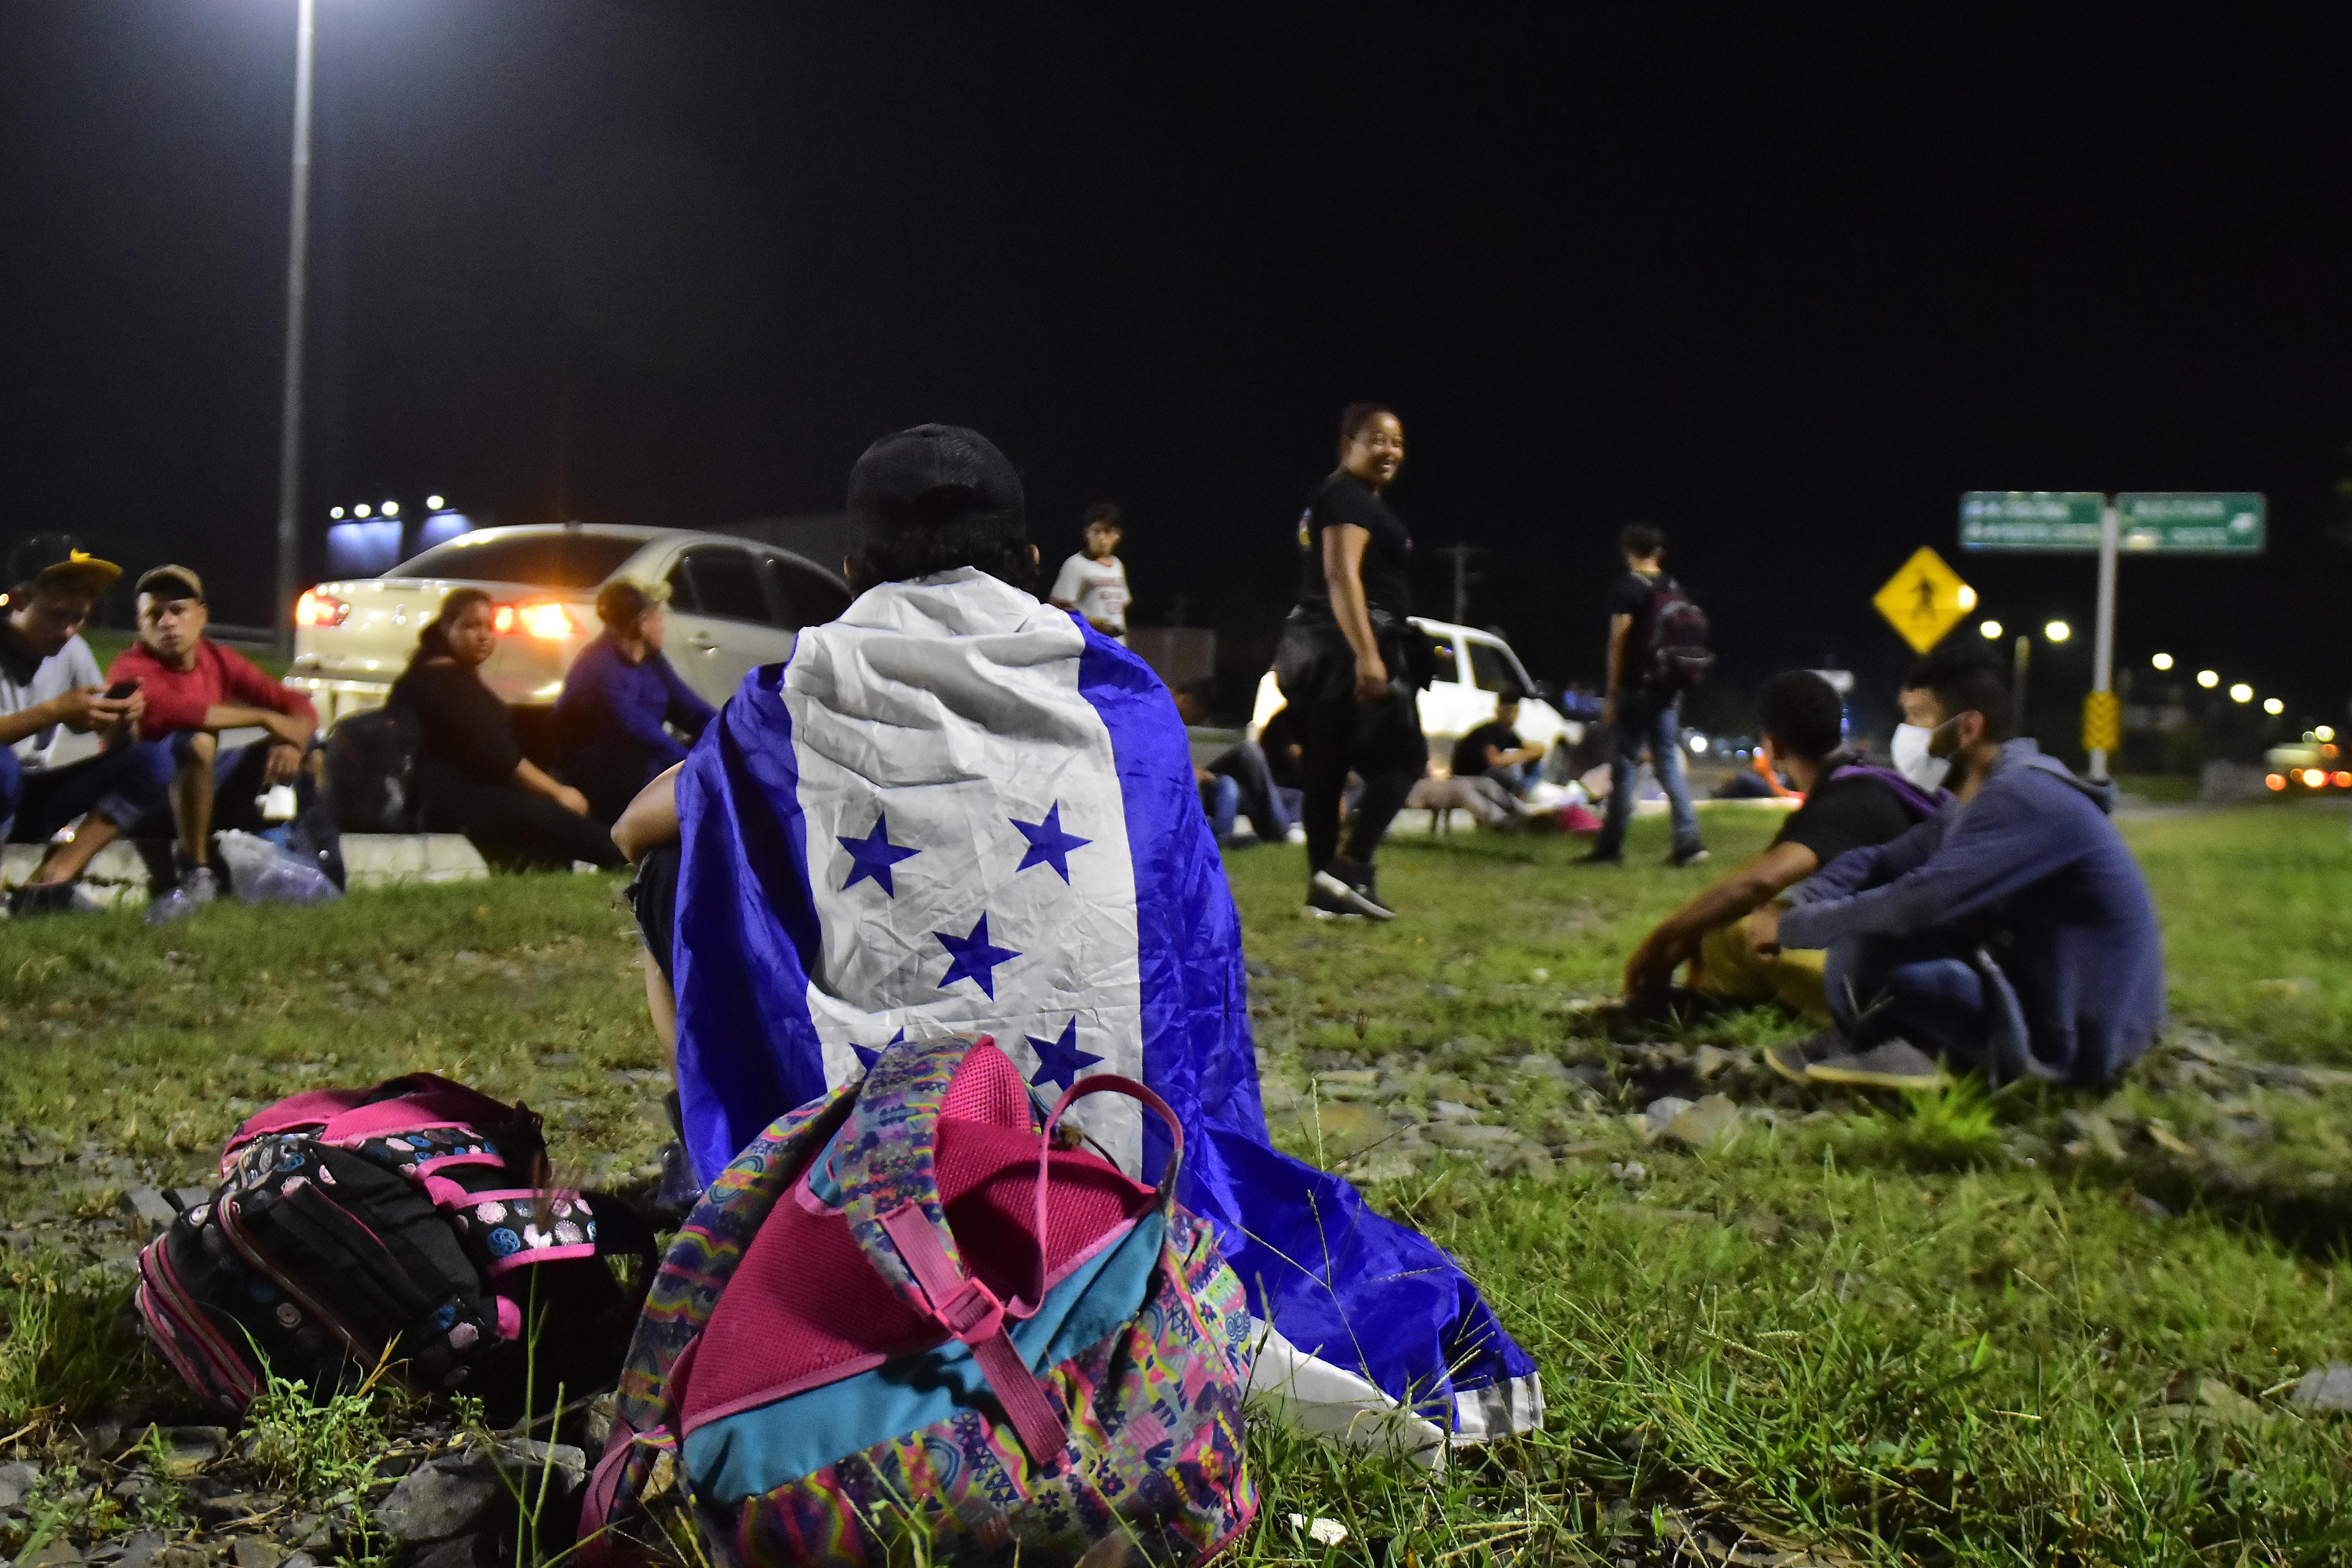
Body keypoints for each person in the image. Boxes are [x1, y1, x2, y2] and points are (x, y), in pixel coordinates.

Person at [618, 422, 1540, 1452]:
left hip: (883, 1167)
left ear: (849, 568)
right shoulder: (1121, 698)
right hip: (1108, 1146)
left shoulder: (789, 696)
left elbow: (634, 826)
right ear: (1027, 560)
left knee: (677, 868)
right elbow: (1193, 944)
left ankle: (729, 1172)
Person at [1752, 645, 2165, 1090]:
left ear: (1968, 728)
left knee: (1869, 942)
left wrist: (1791, 928)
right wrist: (1800, 899)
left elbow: (1918, 902)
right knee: (1865, 940)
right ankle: (1893, 1041)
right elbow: (1882, 859)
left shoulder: (2023, 796)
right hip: (2041, 997)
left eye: (1918, 717)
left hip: (2082, 1040)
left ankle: (1942, 1055)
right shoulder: (1973, 802)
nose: (1907, 734)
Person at [1621, 670, 1939, 1015]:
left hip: (1917, 970)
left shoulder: (1845, 800)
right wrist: (1687, 936)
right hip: (1925, 945)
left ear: (1773, 744)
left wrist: (1657, 945)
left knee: (1735, 936)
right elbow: (1753, 887)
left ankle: (1710, 1005)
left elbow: (1760, 882)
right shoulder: (1864, 783)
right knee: (1728, 925)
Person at [1273, 404, 1426, 920]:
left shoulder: (1336, 494)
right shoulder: (1347, 496)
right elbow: (1341, 574)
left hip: (1326, 646)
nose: (1390, 451)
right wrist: (1367, 655)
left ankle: (1326, 890)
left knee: (1329, 766)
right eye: (1377, 439)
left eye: (1397, 442)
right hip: (1350, 646)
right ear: (1348, 446)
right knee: (1406, 759)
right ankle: (1351, 865)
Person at [106, 565, 322, 920]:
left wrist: (292, 744)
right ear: (140, 624)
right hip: (139, 804)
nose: (167, 623)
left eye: (178, 610)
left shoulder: (218, 659)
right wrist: (265, 718)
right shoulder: (130, 666)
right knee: (198, 742)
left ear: (202, 616)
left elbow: (296, 704)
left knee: (312, 747)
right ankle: (196, 870)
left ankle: (314, 858)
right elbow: (171, 709)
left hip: (202, 792)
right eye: (155, 614)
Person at [389, 588, 626, 872]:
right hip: (450, 799)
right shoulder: (443, 679)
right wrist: (558, 792)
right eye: (471, 626)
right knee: (551, 815)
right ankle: (629, 856)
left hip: (461, 794)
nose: (483, 636)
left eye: (489, 627)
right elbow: (501, 757)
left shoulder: (445, 672)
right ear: (446, 629)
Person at [0, 536, 171, 916]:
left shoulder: (72, 649)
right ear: (19, 601)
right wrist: (54, 711)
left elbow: (114, 743)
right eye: (56, 616)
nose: (67, 631)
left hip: (30, 794)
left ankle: (52, 882)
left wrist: (124, 718)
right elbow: (56, 713)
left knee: (151, 760)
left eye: (78, 618)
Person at [1584, 523, 1705, 867]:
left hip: (1636, 688)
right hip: (1668, 689)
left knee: (1625, 765)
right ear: (1659, 553)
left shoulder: (1628, 587)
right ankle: (1690, 842)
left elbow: (1618, 640)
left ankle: (1610, 847)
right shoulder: (1674, 588)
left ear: (1627, 552)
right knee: (1667, 762)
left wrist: (1612, 694)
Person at [551, 577, 717, 826]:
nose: (663, 627)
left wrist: (738, 735)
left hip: (640, 772)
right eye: (659, 619)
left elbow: (693, 710)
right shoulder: (599, 666)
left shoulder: (652, 663)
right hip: (603, 780)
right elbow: (640, 732)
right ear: (643, 624)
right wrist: (697, 768)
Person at [1170, 678, 1293, 844]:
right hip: (1183, 782)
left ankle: (1279, 829)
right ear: (1186, 700)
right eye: (1196, 716)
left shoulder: (1170, 721)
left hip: (1203, 780)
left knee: (1250, 777)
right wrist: (1186, 772)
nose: (1193, 722)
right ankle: (1280, 830)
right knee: (1247, 755)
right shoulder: (1156, 712)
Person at [1047, 502, 1129, 641]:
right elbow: (1058, 608)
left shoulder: (1117, 565)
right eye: (1097, 531)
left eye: (1108, 532)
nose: (1102, 538)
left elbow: (1122, 607)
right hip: (1089, 644)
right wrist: (1093, 624)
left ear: (1117, 535)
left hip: (1116, 645)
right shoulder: (1076, 564)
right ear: (1087, 533)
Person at [1450, 691, 1545, 797]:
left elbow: (1538, 750)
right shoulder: (1487, 732)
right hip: (1471, 777)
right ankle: (1517, 797)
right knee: (1505, 774)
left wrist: (1528, 753)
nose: (1512, 716)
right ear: (1498, 710)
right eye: (1509, 711)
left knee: (1537, 766)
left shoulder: (1509, 734)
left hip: (1488, 776)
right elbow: (1495, 761)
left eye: (1515, 712)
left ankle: (1521, 794)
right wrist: (1524, 755)